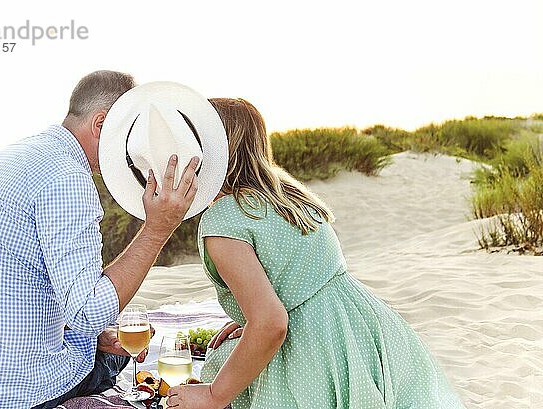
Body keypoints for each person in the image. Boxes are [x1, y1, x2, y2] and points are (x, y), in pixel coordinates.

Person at [166, 98, 465, 408]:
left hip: (315, 352)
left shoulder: (223, 219)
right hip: (360, 331)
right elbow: (295, 282)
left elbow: (271, 323)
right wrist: (250, 319)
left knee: (222, 373)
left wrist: (214, 395)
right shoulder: (290, 195)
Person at [0, 71, 200, 408]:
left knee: (104, 342)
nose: (127, 155)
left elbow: (11, 283)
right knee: (119, 360)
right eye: (128, 137)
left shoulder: (17, 156)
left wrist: (89, 335)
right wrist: (158, 229)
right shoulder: (67, 177)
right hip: (14, 391)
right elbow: (89, 313)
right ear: (101, 123)